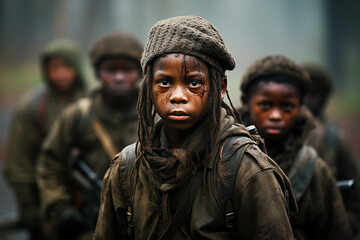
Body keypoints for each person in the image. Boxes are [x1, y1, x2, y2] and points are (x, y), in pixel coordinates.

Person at [93, 16, 297, 240]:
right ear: (148, 86)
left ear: (220, 88)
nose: (178, 96)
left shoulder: (247, 170)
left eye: (194, 83)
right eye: (164, 82)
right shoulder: (127, 167)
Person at [36, 32, 143, 240]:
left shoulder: (155, 117)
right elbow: (50, 164)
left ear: (139, 73)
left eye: (127, 69)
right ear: (98, 73)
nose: (119, 77)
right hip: (89, 224)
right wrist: (61, 207)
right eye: (111, 69)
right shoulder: (77, 116)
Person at [239, 55, 352, 239]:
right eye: (265, 104)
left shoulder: (314, 168)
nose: (276, 115)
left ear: (300, 106)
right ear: (246, 102)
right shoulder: (224, 157)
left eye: (287, 106)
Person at [2, 39, 87, 240]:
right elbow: (18, 161)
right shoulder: (33, 106)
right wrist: (29, 208)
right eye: (54, 68)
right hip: (43, 197)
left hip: (85, 200)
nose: (61, 74)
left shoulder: (92, 102)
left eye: (67, 67)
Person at [303, 64, 360, 237]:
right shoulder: (281, 130)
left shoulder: (333, 138)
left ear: (324, 98)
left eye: (312, 94)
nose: (305, 100)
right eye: (302, 92)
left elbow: (355, 198)